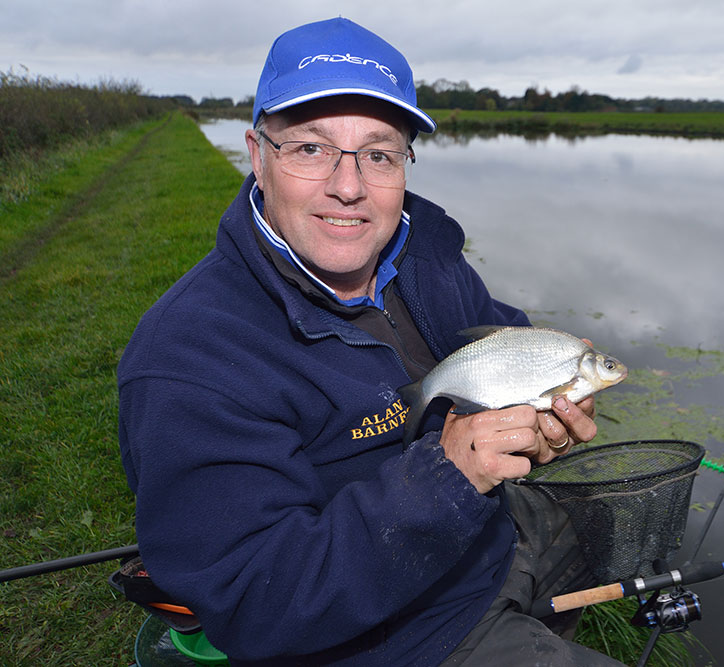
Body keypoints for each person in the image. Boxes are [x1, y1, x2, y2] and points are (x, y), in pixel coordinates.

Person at [117, 17, 623, 666]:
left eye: (378, 154)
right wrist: (452, 475)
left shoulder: (425, 253)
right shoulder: (190, 360)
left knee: (601, 529)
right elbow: (253, 600)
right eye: (310, 148)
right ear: (257, 154)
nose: (349, 186)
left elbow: (501, 333)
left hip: (488, 540)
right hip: (398, 640)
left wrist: (546, 399)